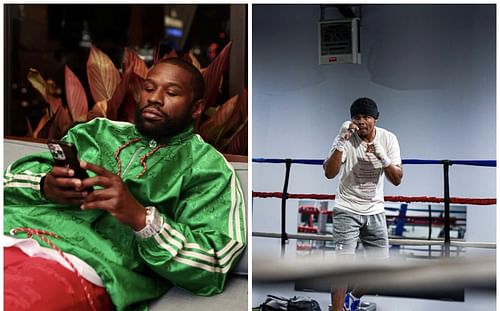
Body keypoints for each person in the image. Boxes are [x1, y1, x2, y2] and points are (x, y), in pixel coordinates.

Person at [4, 58, 247, 311]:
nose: (155, 98)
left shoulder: (206, 167)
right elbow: (7, 182)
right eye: (149, 88)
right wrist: (45, 186)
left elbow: (214, 264)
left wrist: (141, 218)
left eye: (171, 92)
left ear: (196, 109)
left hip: (84, 265)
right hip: (11, 234)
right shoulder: (95, 132)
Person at [323, 97, 403, 311]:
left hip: (375, 210)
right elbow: (330, 173)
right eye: (357, 117)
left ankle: (352, 299)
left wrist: (382, 157)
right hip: (346, 209)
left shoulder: (388, 139)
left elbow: (397, 179)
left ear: (375, 119)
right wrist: (340, 141)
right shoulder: (345, 138)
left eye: (366, 117)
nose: (361, 122)